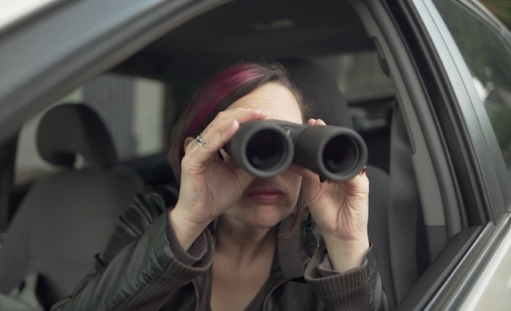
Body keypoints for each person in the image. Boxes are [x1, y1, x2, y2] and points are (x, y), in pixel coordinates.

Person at [52, 62, 388, 311]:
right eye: (254, 146)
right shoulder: (154, 215)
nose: (268, 173)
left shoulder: (320, 248)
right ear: (203, 150)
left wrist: (346, 247)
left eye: (290, 145)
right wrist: (188, 220)